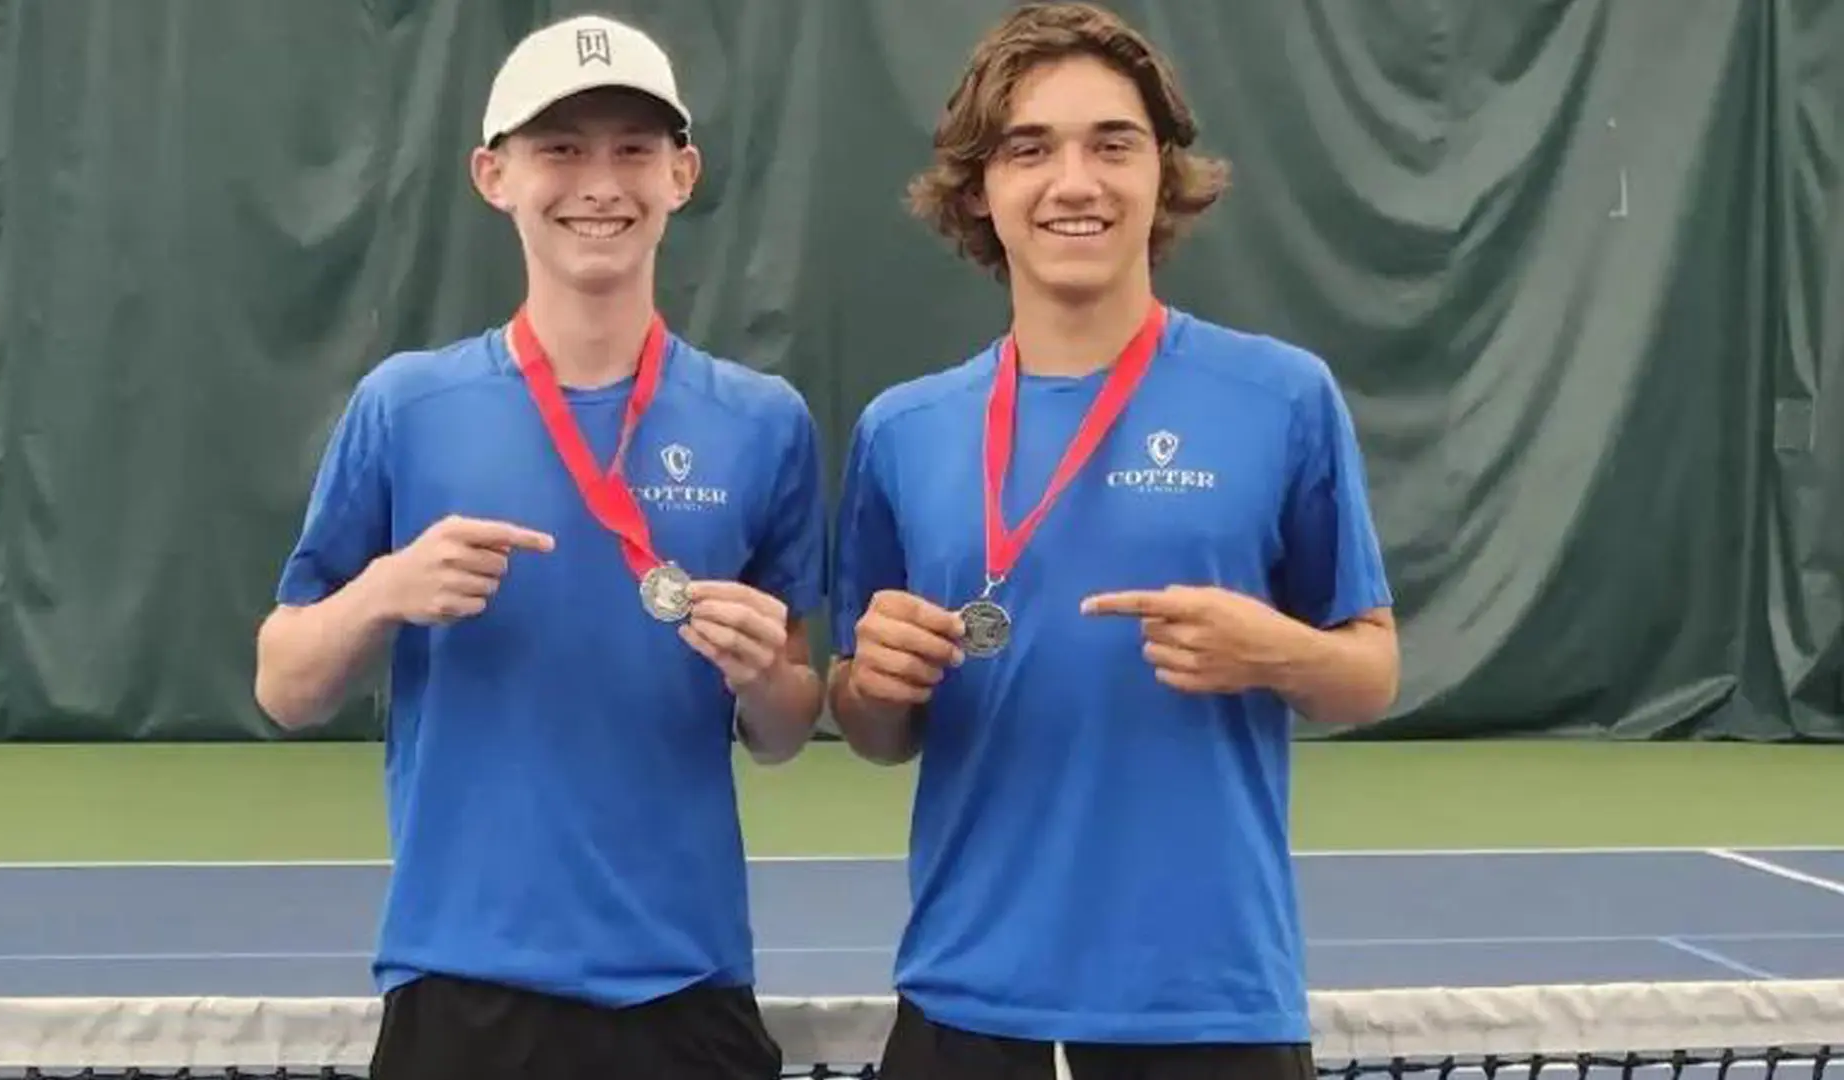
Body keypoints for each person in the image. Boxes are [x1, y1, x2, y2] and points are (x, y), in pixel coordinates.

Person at [828, 3, 1400, 1078]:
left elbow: (1368, 671)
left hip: (1210, 1013)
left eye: (1112, 144)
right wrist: (877, 685)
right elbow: (870, 724)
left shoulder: (1281, 398)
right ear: (979, 188)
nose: (1075, 182)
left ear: (1163, 174)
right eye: (1029, 148)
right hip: (963, 1008)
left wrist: (1273, 650)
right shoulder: (901, 431)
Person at [252, 14, 826, 1080]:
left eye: (632, 150)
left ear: (682, 173)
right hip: (459, 992)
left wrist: (764, 676)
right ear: (494, 175)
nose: (597, 183)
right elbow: (286, 685)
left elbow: (787, 728)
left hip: (686, 990)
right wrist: (384, 589)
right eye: (560, 149)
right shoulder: (405, 407)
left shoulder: (764, 422)